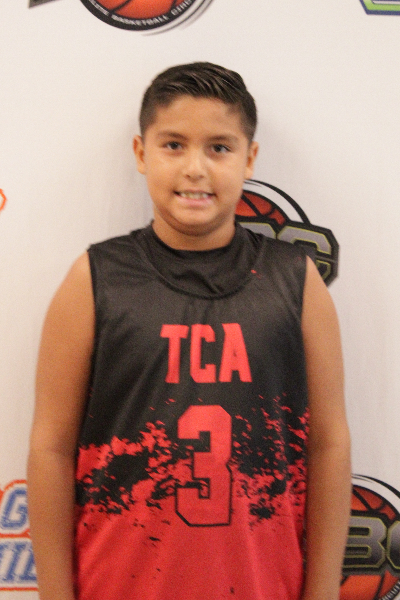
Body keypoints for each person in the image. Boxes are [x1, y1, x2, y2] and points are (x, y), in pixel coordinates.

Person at [28, 62, 351, 600]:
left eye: (219, 148)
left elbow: (329, 447)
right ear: (141, 153)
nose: (195, 169)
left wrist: (322, 592)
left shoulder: (296, 283)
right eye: (173, 145)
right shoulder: (95, 280)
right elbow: (52, 449)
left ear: (249, 159)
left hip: (261, 585)